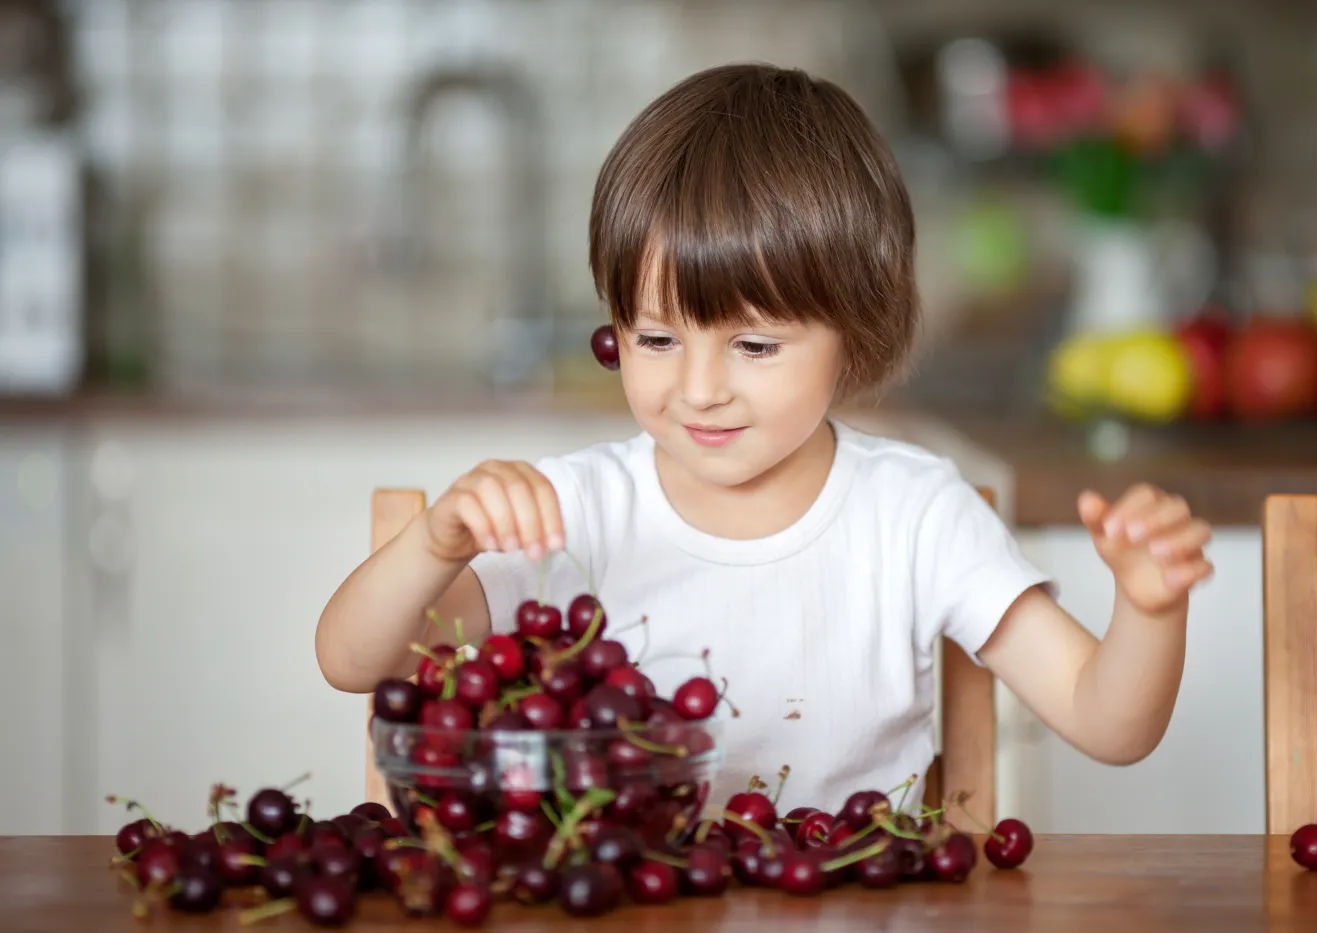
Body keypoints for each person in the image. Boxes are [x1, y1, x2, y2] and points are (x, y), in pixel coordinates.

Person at [316, 62, 1214, 815]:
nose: (699, 388)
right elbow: (354, 661)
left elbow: (1111, 725)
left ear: (854, 333)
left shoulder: (914, 512)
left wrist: (1148, 609)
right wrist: (437, 543)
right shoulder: (566, 512)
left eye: (753, 345)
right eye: (656, 338)